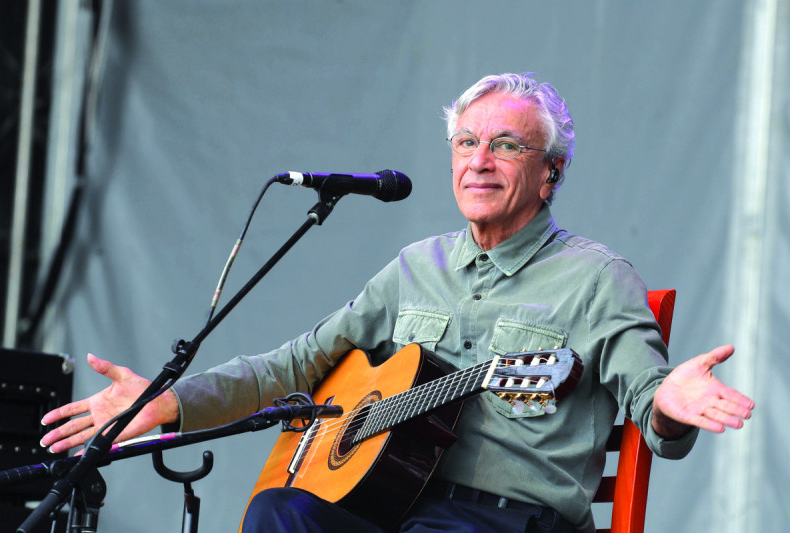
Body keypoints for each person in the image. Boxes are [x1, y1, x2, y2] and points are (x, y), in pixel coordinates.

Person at [41, 73, 754, 533]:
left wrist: (669, 400)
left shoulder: (597, 278)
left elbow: (651, 403)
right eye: (467, 141)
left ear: (550, 173)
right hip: (396, 509)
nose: (479, 159)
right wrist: (165, 402)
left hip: (510, 521)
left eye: (506, 145)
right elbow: (294, 365)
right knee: (277, 511)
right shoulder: (418, 266)